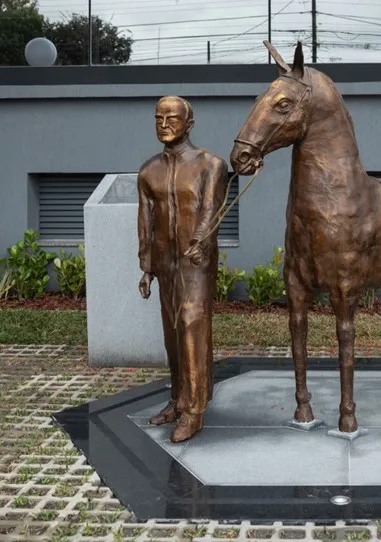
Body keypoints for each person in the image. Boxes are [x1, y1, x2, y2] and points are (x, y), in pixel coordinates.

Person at [137, 95, 229, 443]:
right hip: (165, 264)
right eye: (158, 118)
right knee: (172, 334)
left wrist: (201, 241)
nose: (164, 124)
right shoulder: (149, 171)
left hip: (196, 263)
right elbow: (145, 222)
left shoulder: (211, 165)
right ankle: (178, 399)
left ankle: (194, 410)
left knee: (192, 326)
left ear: (188, 124)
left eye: (172, 118)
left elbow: (211, 211)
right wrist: (147, 267)